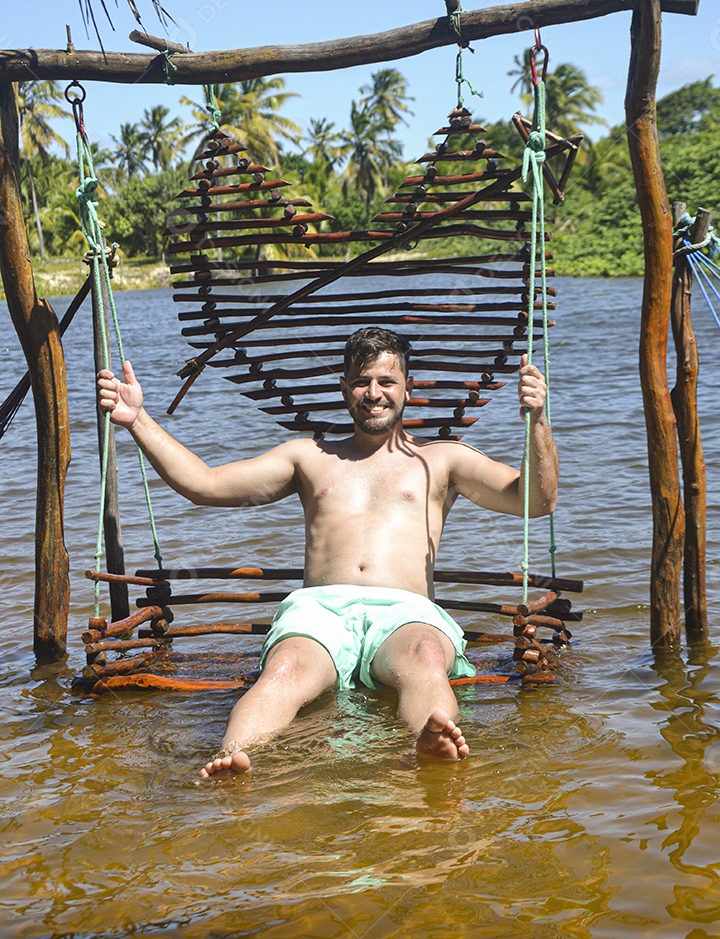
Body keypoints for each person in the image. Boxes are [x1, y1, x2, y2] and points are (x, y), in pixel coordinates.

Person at [97, 327, 558, 776]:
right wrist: (138, 419)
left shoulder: (443, 459)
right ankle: (233, 758)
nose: (373, 393)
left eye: (386, 381)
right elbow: (205, 484)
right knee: (285, 669)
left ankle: (432, 743)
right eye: (361, 382)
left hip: (405, 613)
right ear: (344, 389)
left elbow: (536, 501)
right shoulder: (308, 456)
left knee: (425, 657)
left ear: (408, 388)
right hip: (319, 612)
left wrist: (537, 420)